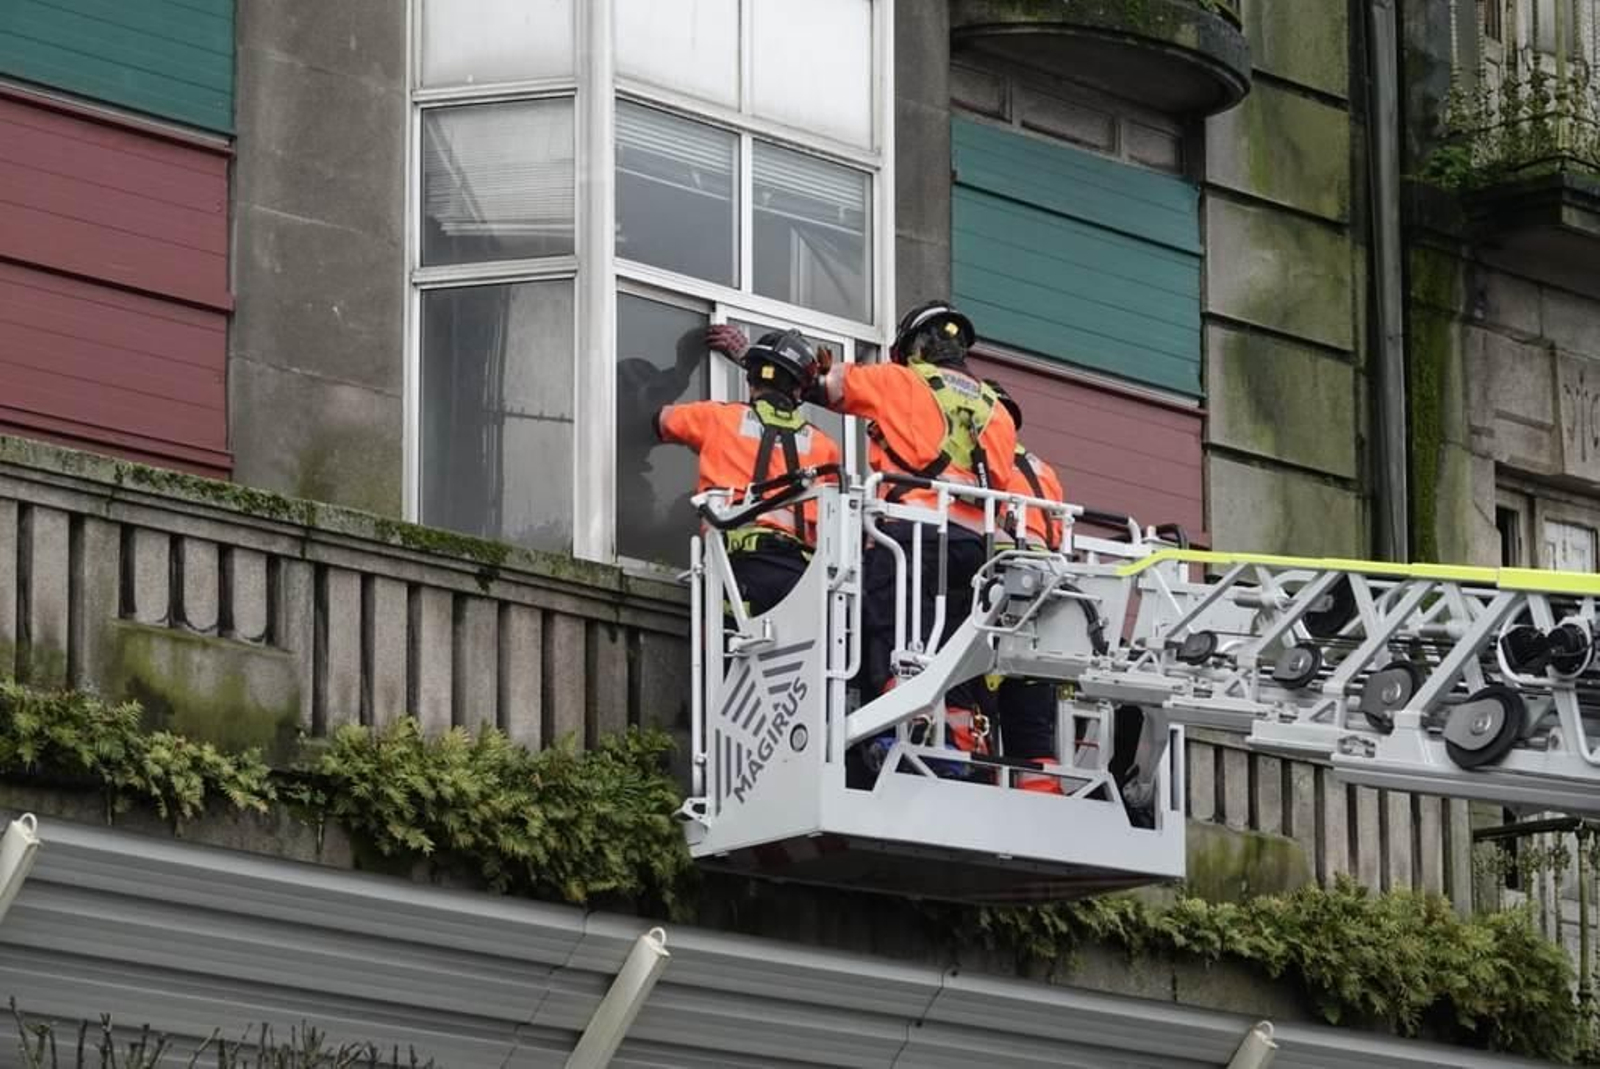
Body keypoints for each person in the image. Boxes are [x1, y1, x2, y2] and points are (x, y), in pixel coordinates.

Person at [816, 300, 1017, 778]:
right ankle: (960, 754)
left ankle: (896, 735)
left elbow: (826, 387)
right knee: (957, 657)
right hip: (977, 548)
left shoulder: (900, 380)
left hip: (912, 533)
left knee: (895, 635)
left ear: (915, 348)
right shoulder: (996, 410)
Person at [656, 326, 842, 618]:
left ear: (752, 379)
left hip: (737, 567)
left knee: (726, 654)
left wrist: (683, 367)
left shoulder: (718, 419)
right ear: (799, 390)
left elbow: (659, 419)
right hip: (799, 578)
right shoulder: (825, 447)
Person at [985, 380, 1070, 793]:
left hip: (1000, 583)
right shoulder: (1043, 469)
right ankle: (1041, 792)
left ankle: (975, 776)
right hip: (1044, 595)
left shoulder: (985, 459)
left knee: (977, 694)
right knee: (1033, 710)